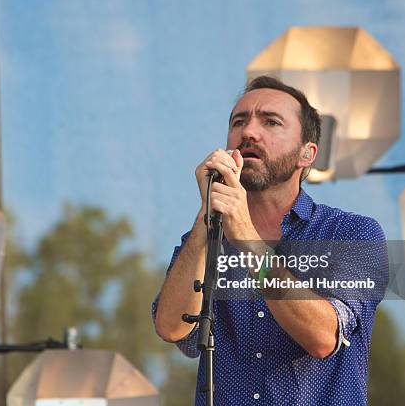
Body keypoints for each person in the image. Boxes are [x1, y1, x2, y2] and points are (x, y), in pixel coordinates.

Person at [151, 75, 389, 405]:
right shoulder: (205, 237)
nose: (248, 132)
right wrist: (207, 216)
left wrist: (247, 240)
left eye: (271, 122)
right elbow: (170, 327)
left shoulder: (351, 234)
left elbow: (323, 338)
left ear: (307, 154)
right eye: (239, 121)